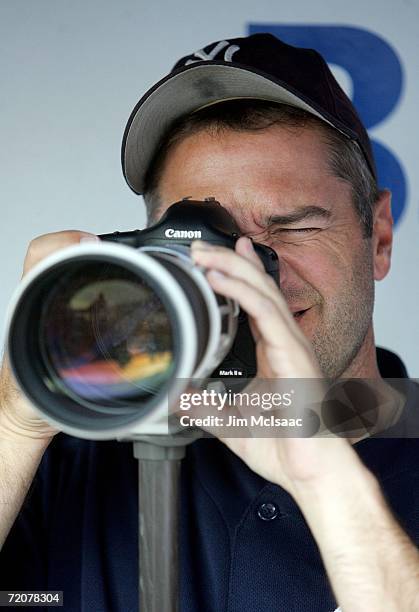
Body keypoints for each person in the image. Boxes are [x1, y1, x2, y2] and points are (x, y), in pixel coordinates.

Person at [0, 33, 418, 611]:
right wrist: (16, 426)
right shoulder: (69, 462)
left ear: (380, 238)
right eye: (209, 241)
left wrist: (325, 478)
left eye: (292, 228)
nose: (249, 273)